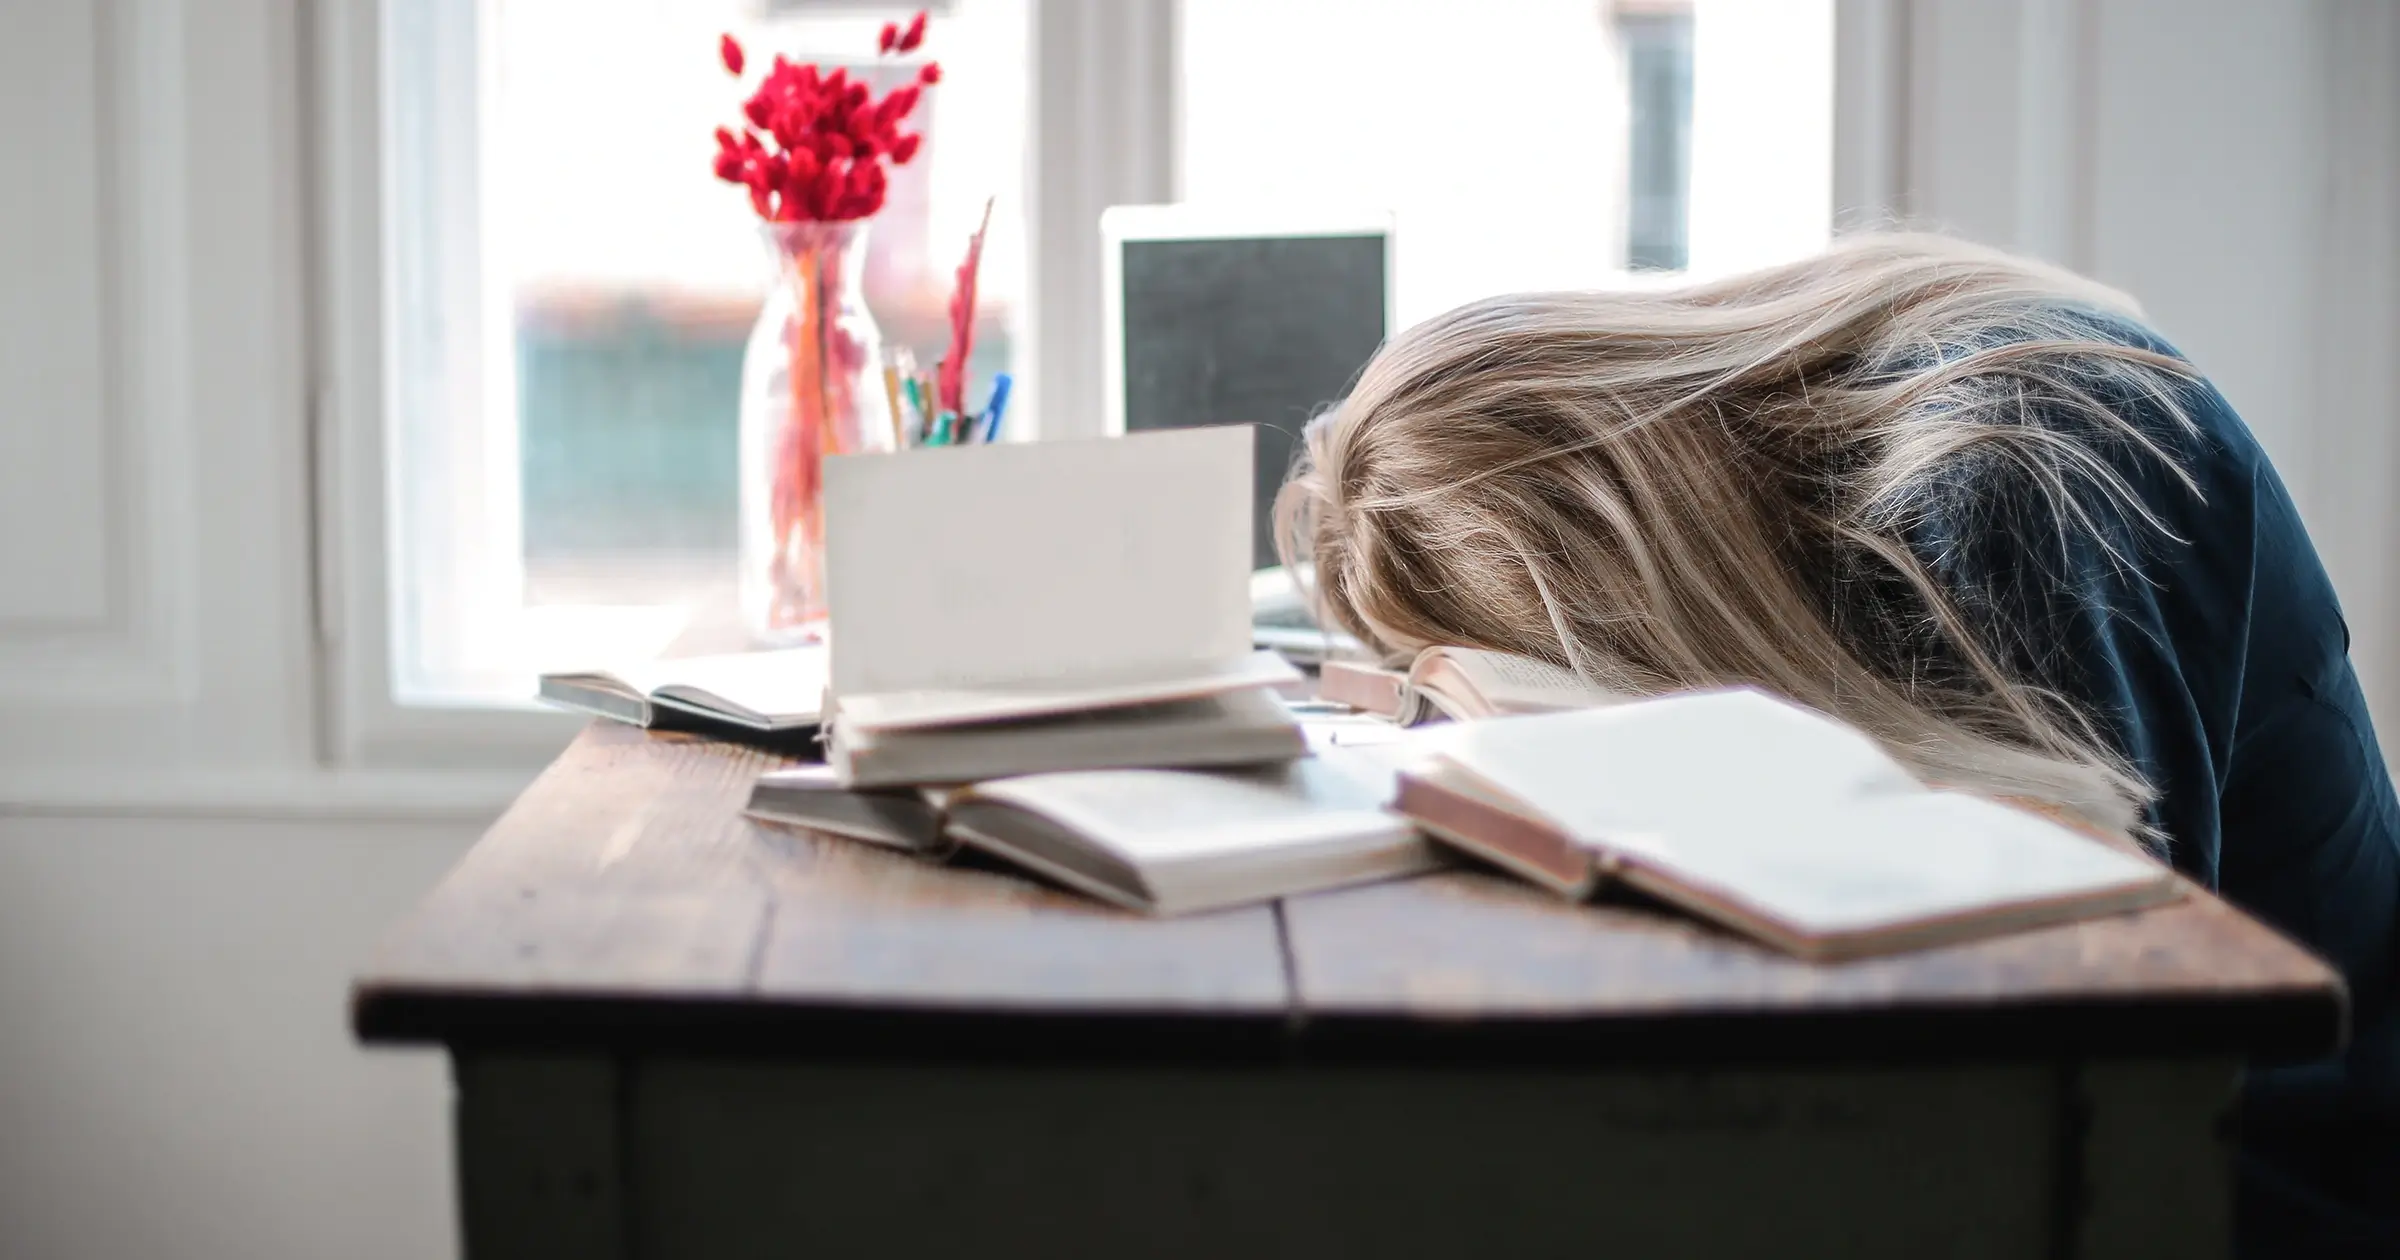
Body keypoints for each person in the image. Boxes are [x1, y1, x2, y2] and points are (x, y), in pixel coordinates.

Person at [1276, 233, 2396, 1256]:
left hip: (2276, 1177)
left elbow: (2086, 1045)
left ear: (1604, 576)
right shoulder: (1867, 444)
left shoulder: (2011, 468)